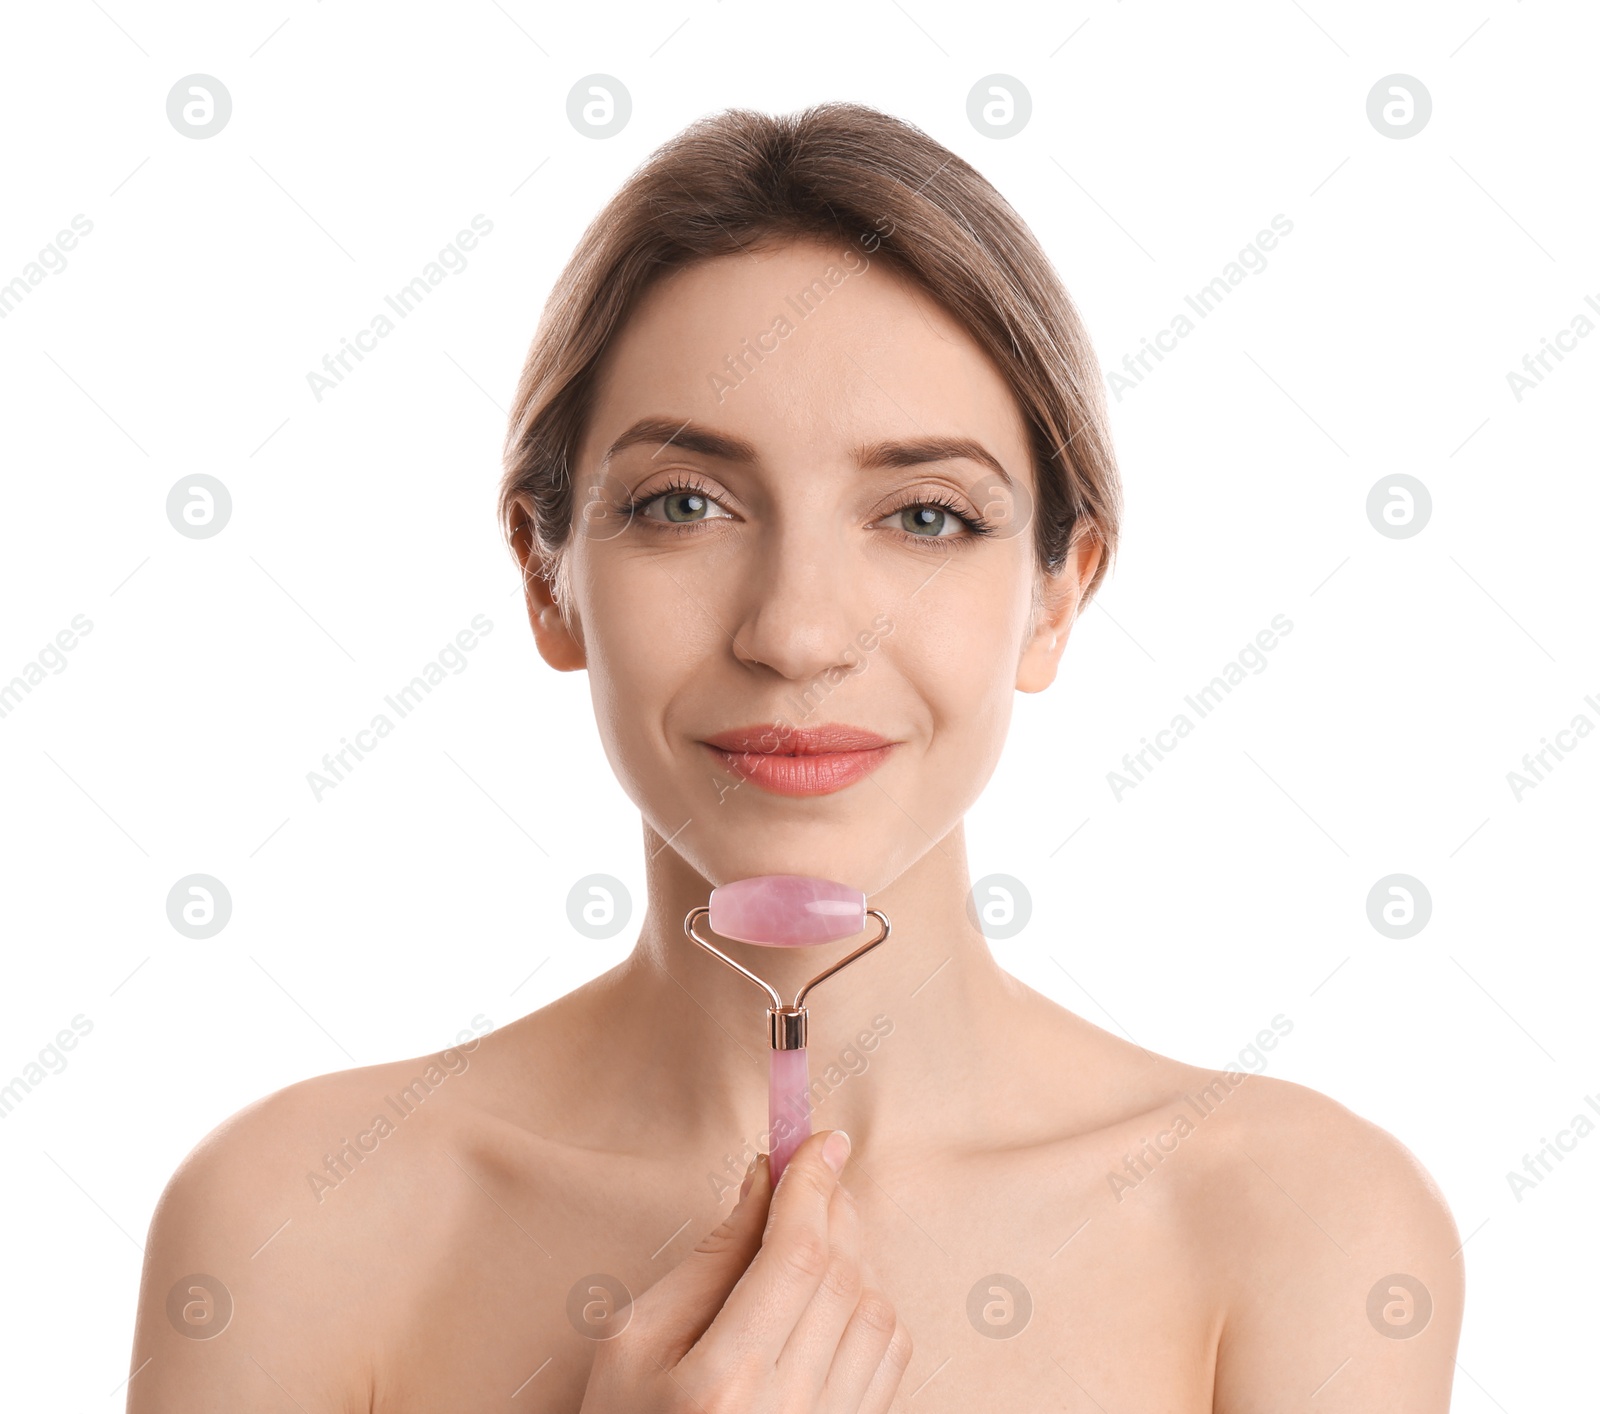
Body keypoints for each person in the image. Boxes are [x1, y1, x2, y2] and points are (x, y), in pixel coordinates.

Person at [127, 102, 1463, 1412]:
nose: (799, 629)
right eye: (685, 504)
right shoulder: (293, 1228)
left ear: (1058, 594)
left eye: (927, 515)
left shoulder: (1300, 1228)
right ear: (548, 575)